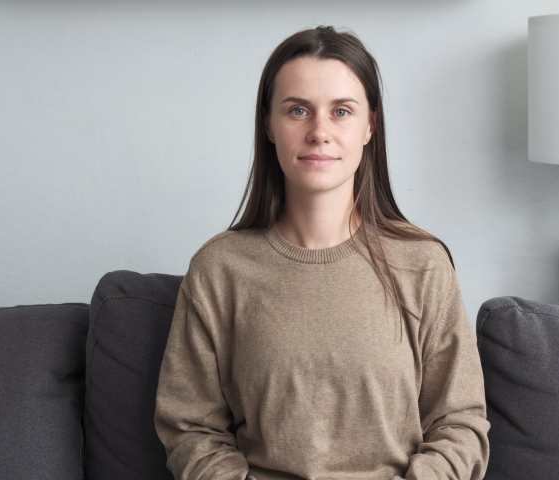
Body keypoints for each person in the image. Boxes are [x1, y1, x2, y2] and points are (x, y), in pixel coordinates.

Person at [154, 26, 490, 480]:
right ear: (269, 126)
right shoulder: (219, 269)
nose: (319, 132)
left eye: (341, 111)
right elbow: (189, 427)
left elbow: (460, 423)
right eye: (297, 110)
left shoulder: (423, 264)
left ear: (370, 126)